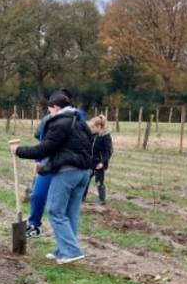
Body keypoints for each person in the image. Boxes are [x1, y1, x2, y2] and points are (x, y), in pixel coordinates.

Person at [10, 91, 94, 264]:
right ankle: (63, 250)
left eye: (49, 110)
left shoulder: (60, 123)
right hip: (84, 173)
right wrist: (47, 167)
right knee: (70, 213)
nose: (49, 114)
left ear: (55, 107)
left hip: (67, 173)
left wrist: (19, 151)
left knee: (55, 210)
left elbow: (44, 149)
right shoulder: (80, 121)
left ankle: (71, 251)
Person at [84, 115, 112, 204]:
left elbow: (108, 151)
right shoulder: (93, 135)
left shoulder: (106, 137)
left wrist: (102, 162)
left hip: (99, 164)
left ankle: (102, 199)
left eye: (93, 127)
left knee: (99, 181)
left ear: (99, 126)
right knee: (85, 179)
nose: (91, 129)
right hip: (91, 162)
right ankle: (82, 197)